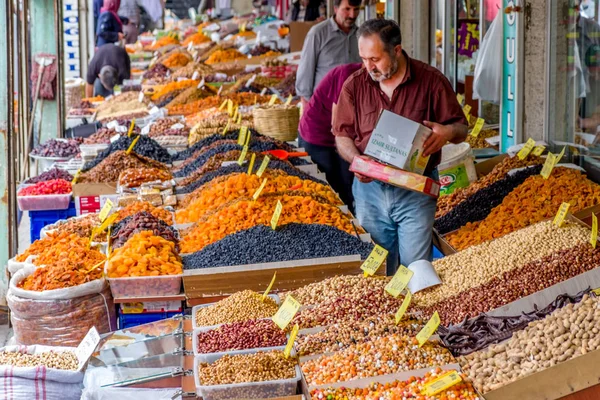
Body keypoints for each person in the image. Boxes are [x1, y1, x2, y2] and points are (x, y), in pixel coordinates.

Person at [333, 19, 468, 275]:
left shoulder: (431, 81)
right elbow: (342, 134)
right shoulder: (354, 85)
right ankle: (387, 315)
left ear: (396, 50)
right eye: (363, 58)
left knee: (416, 269)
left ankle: (416, 313)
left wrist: (446, 132)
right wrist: (357, 160)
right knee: (377, 269)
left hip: (416, 190)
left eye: (375, 58)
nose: (368, 66)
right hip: (369, 192)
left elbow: (461, 129)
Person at [299, 62, 362, 212]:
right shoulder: (347, 74)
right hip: (317, 135)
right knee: (332, 188)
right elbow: (338, 123)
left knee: (345, 186)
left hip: (341, 137)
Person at [295, 0, 361, 108]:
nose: (352, 15)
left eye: (356, 9)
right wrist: (307, 104)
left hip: (354, 104)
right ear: (335, 9)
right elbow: (306, 69)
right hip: (324, 105)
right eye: (347, 9)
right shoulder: (318, 33)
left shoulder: (361, 35)